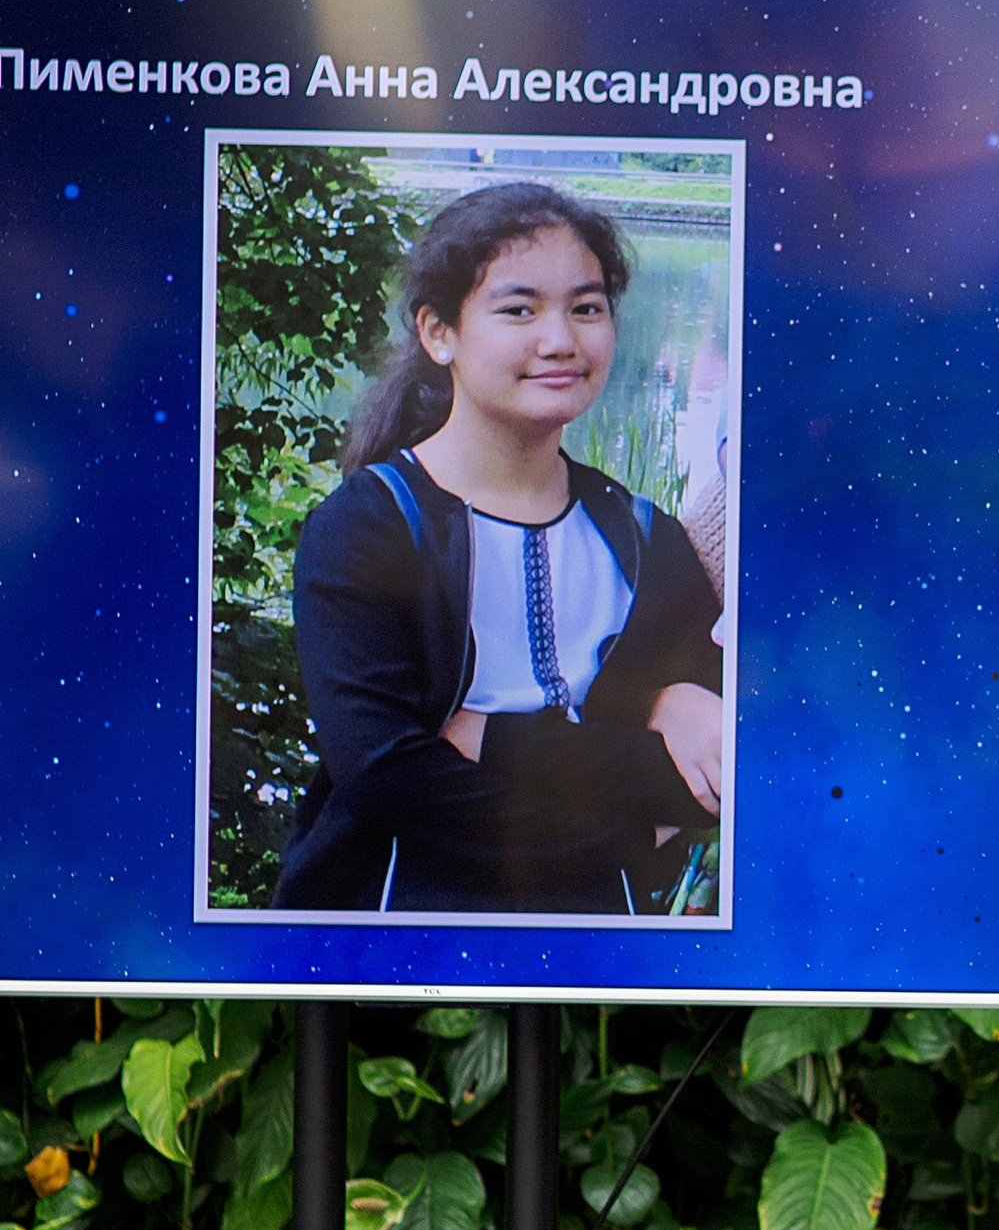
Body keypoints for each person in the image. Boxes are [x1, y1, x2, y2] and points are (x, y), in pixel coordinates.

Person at [274, 179, 726, 917]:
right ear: (437, 332)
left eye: (587, 308)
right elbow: (386, 776)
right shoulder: (372, 526)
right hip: (390, 946)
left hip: (602, 953)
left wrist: (495, 737)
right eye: (519, 310)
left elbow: (707, 778)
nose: (561, 340)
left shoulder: (646, 540)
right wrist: (619, 825)